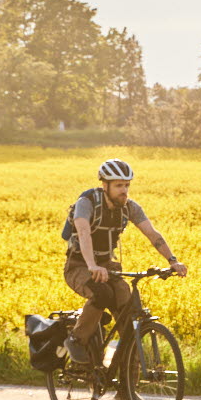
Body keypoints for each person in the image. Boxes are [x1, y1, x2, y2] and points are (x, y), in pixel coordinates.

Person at [63, 159, 186, 374]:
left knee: (128, 314)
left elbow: (152, 234)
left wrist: (172, 261)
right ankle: (76, 339)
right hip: (79, 265)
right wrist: (92, 265)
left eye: (127, 185)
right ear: (105, 185)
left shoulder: (129, 207)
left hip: (107, 266)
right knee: (101, 294)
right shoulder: (87, 202)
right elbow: (83, 233)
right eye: (119, 185)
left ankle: (128, 384)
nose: (124, 190)